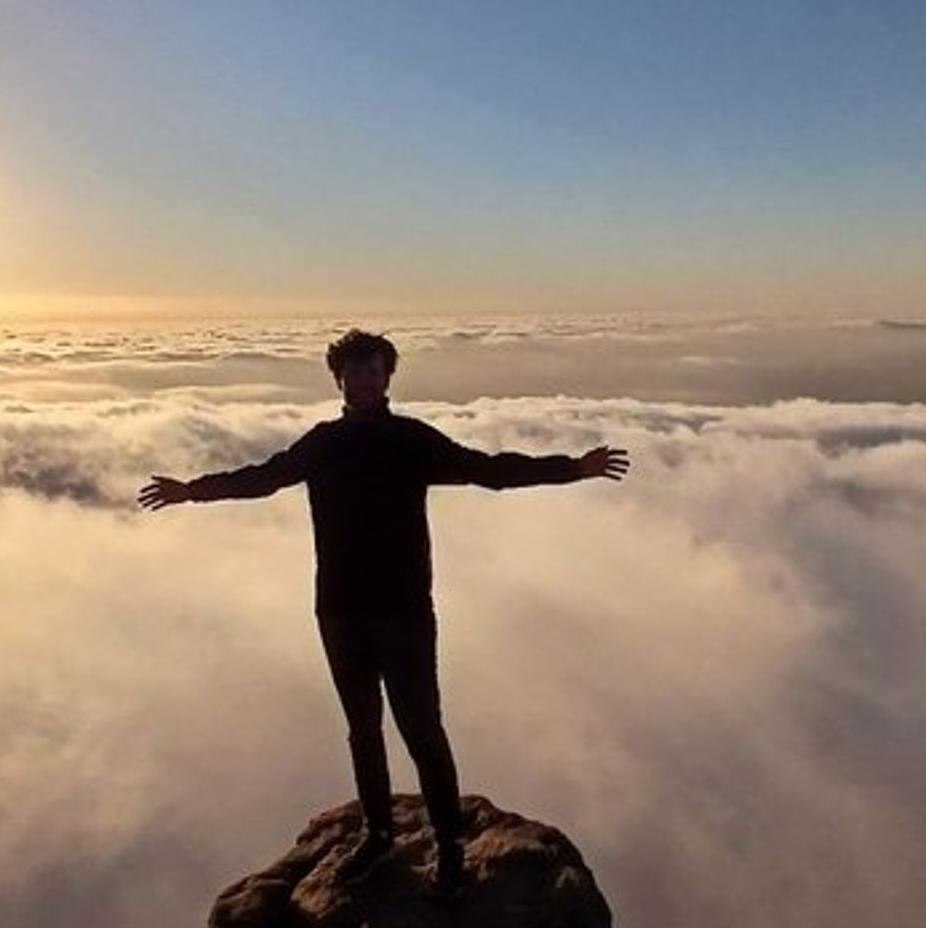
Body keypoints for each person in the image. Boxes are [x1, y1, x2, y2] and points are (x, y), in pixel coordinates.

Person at [138, 329, 629, 898]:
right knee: (363, 730)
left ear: (387, 378)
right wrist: (190, 491)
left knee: (422, 729)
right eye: (353, 373)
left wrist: (573, 468)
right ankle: (377, 832)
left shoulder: (410, 440)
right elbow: (262, 478)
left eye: (372, 372)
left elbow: (489, 470)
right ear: (339, 380)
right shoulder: (323, 443)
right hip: (340, 610)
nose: (363, 381)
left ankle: (448, 847)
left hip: (403, 612)